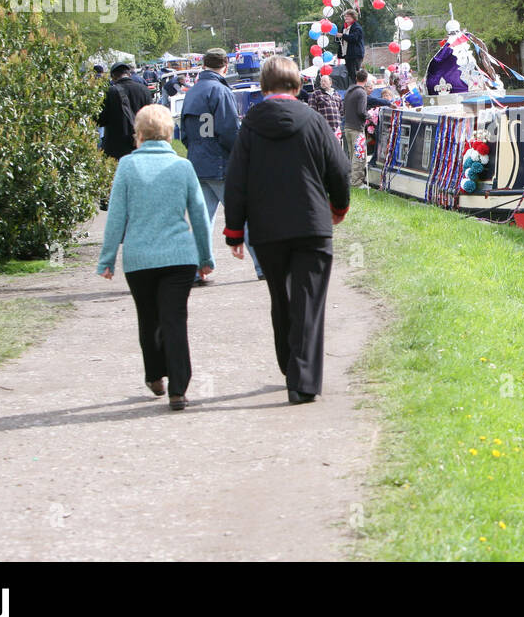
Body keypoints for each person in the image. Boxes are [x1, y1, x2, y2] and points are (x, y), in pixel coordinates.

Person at [223, 56, 350, 404]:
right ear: (296, 86)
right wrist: (338, 207)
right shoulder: (314, 120)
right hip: (312, 223)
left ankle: (288, 363)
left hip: (267, 229)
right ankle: (303, 378)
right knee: (308, 300)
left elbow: (236, 182)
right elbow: (339, 169)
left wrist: (235, 231)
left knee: (281, 299)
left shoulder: (249, 126)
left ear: (263, 88)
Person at [97, 104, 214, 411]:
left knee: (148, 319)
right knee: (175, 320)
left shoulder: (126, 166)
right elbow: (199, 216)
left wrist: (107, 259)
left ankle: (154, 376)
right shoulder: (182, 167)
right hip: (179, 258)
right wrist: (205, 257)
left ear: (139, 133)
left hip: (139, 259)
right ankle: (178, 389)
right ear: (168, 132)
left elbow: (116, 218)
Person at [180, 48, 262, 283]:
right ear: (225, 65)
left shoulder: (191, 91)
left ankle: (197, 269)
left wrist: (196, 151)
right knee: (243, 214)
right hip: (221, 164)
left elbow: (184, 132)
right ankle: (263, 265)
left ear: (204, 64)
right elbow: (228, 131)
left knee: (202, 219)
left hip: (197, 162)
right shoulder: (221, 90)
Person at [97, 62, 154, 160]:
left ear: (113, 77)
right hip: (140, 144)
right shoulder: (144, 90)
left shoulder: (110, 92)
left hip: (116, 147)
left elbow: (101, 120)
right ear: (129, 74)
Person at [341, 69, 369, 187]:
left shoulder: (348, 91)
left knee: (352, 155)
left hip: (347, 126)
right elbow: (361, 111)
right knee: (359, 156)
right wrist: (370, 116)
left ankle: (351, 179)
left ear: (356, 78)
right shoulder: (362, 93)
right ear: (366, 80)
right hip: (357, 128)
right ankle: (357, 182)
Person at [309, 72, 342, 138]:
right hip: (323, 129)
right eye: (321, 81)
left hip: (336, 129)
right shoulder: (316, 94)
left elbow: (341, 111)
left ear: (330, 83)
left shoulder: (337, 94)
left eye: (325, 81)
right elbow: (312, 112)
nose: (323, 83)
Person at [341, 10, 365, 86]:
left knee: (355, 73)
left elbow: (354, 38)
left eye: (348, 16)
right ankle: (354, 87)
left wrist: (342, 36)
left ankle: (358, 87)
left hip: (355, 54)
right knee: (350, 74)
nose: (346, 18)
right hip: (347, 54)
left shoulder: (357, 27)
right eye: (345, 16)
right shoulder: (344, 27)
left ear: (353, 17)